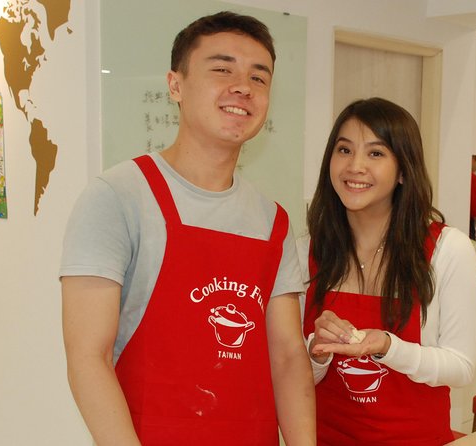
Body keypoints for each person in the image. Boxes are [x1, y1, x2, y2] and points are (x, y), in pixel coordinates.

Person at [60, 12, 315, 445]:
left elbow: (288, 357)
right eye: (221, 69)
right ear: (175, 85)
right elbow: (88, 356)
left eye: (259, 77)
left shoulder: (273, 220)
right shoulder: (118, 196)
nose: (242, 87)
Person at [298, 97, 476, 445]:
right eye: (344, 150)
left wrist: (386, 347)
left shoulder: (447, 250)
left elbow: (461, 367)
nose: (355, 166)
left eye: (376, 153)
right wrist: (316, 351)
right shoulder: (305, 249)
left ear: (402, 171)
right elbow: (293, 373)